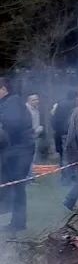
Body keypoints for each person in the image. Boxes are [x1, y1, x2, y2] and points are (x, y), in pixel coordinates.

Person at [0, 78, 35, 233]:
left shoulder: (13, 101)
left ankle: (18, 223)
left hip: (21, 151)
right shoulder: (6, 103)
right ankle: (15, 220)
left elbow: (11, 125)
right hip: (12, 151)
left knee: (17, 186)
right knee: (10, 185)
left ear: (3, 89)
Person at [50, 96, 72, 164]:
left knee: (62, 155)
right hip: (63, 134)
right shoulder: (70, 108)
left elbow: (53, 123)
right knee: (65, 155)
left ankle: (64, 171)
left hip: (60, 134)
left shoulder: (58, 109)